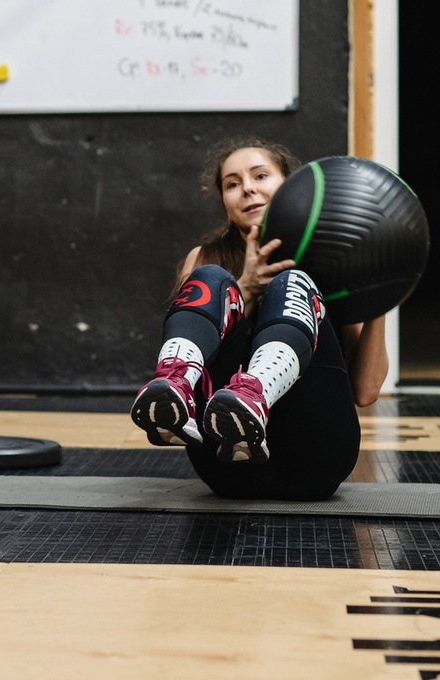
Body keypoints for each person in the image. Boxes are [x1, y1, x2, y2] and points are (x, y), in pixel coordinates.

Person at [130, 136, 389, 501]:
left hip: (315, 460)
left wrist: (378, 299)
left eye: (260, 176)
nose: (247, 188)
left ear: (289, 184)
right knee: (212, 280)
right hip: (226, 461)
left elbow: (366, 392)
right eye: (232, 184)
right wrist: (246, 290)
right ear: (223, 199)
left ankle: (256, 395)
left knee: (293, 282)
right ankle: (178, 381)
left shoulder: (331, 260)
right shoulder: (205, 258)